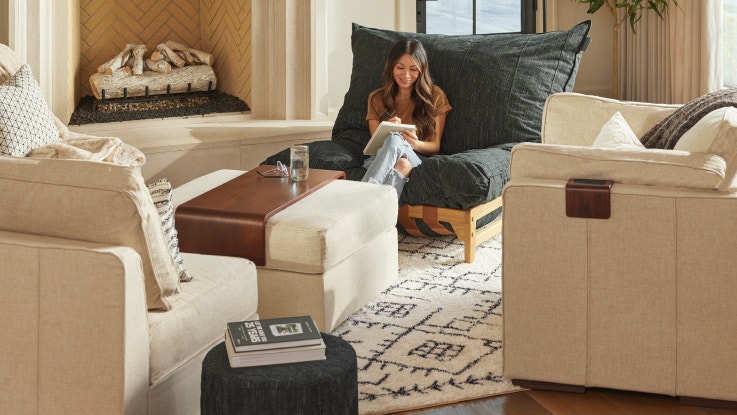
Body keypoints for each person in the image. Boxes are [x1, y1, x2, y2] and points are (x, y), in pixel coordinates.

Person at [361, 39, 452, 199]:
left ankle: (363, 195)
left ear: (422, 70)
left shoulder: (435, 96)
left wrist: (413, 143)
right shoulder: (376, 98)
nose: (406, 75)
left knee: (396, 139)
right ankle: (379, 219)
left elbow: (435, 147)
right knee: (402, 163)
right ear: (392, 67)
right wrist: (386, 127)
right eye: (400, 68)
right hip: (381, 159)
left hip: (417, 156)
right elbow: (374, 147)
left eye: (413, 69)